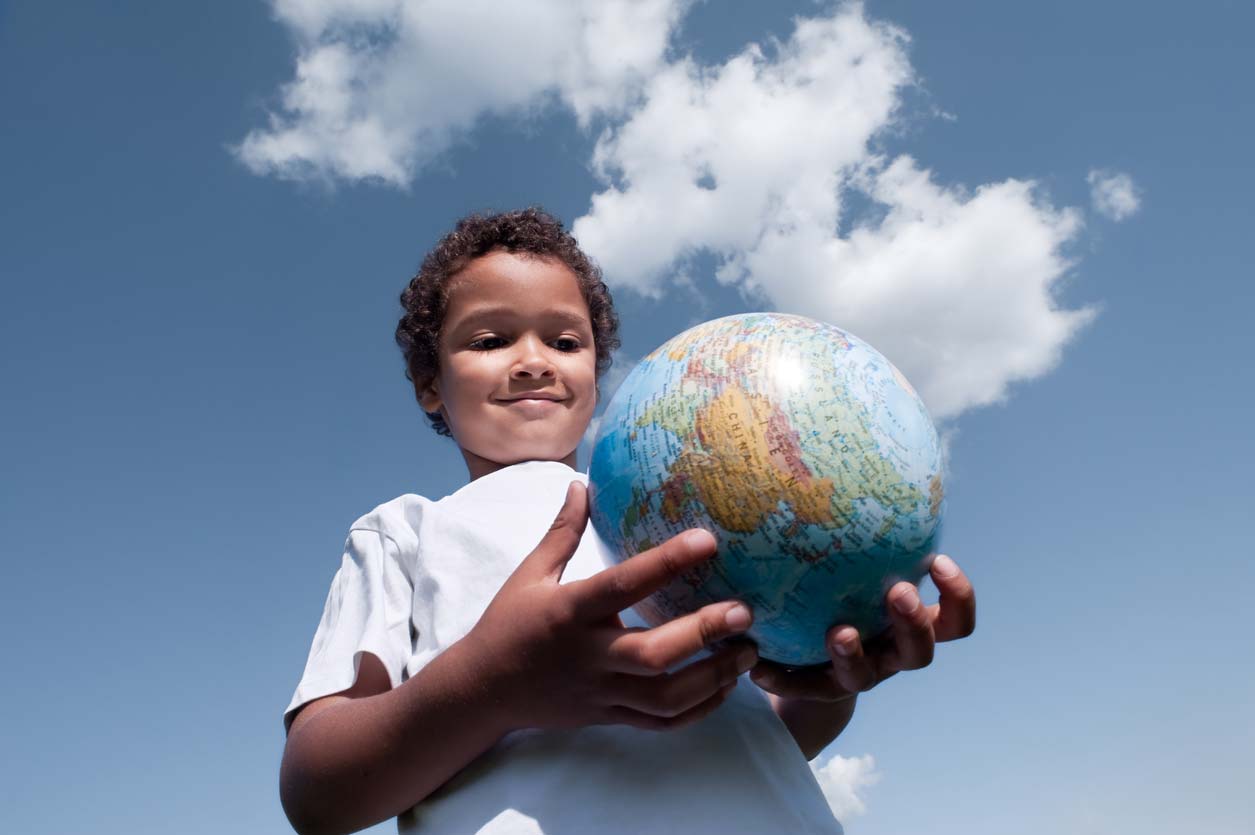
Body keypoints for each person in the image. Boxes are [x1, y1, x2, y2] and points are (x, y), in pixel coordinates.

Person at [279, 208, 976, 835]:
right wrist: (491, 683)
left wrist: (828, 678)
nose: (531, 362)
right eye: (490, 339)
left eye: (564, 340)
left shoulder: (679, 510)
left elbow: (759, 733)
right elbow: (318, 789)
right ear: (430, 384)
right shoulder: (406, 530)